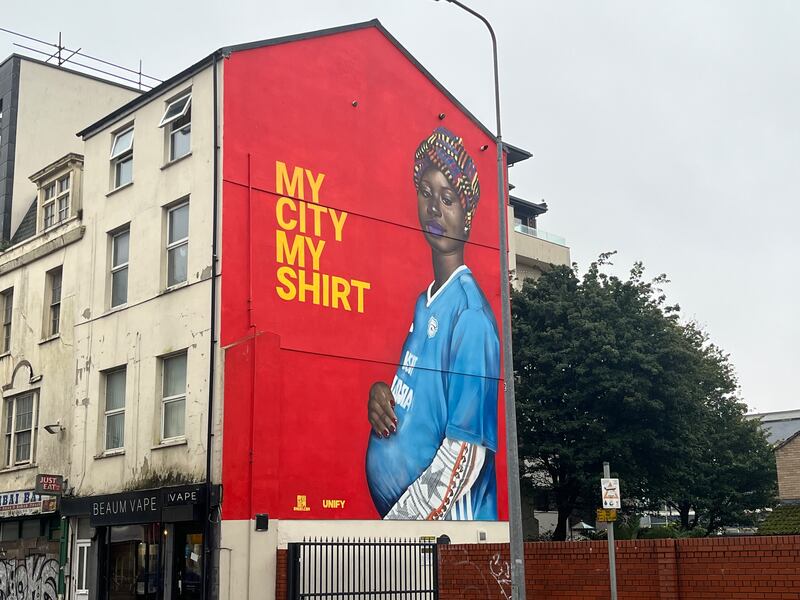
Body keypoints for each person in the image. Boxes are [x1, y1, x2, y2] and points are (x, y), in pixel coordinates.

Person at [365, 127, 500, 520]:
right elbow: (421, 400)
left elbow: (464, 453)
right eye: (426, 193)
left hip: (442, 537)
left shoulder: (470, 316)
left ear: (468, 216)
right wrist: (381, 393)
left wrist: (397, 529)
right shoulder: (424, 304)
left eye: (448, 198)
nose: (434, 209)